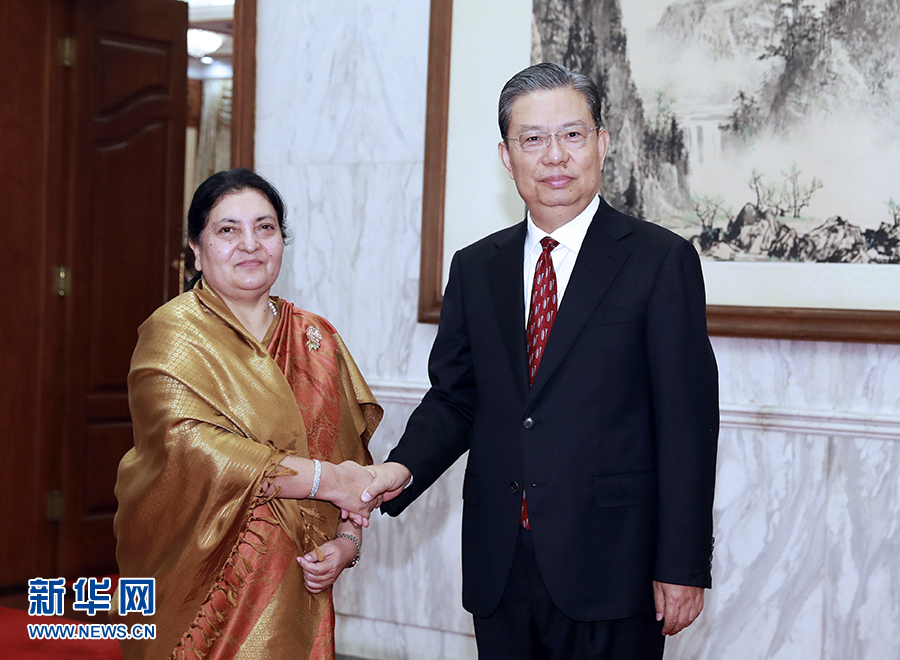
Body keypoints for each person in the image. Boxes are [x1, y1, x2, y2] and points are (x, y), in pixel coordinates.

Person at [363, 63, 719, 659]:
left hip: (614, 563)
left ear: (602, 143)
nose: (554, 155)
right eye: (532, 139)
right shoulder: (476, 267)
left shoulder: (660, 260)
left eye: (572, 134)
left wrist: (682, 564)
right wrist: (400, 469)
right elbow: (456, 398)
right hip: (501, 562)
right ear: (507, 156)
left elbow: (687, 423)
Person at [111, 169, 382, 659]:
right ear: (196, 248)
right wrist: (325, 480)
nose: (250, 244)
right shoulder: (172, 334)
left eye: (265, 227)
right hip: (198, 586)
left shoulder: (316, 339)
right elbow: (191, 451)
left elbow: (352, 462)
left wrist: (346, 545)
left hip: (296, 587)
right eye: (227, 230)